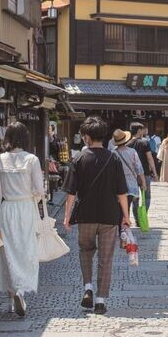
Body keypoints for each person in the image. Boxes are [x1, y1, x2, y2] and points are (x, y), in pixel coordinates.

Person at [63, 116, 131, 315]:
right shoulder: (114, 159)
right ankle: (100, 301)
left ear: (86, 137)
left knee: (85, 252)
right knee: (106, 258)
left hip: (86, 216)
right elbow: (121, 193)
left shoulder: (79, 159)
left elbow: (70, 192)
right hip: (109, 216)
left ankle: (88, 288)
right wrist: (126, 216)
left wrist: (67, 216)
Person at [0, 122, 44, 316]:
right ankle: (21, 290)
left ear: (8, 139)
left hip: (7, 207)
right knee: (25, 250)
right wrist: (31, 199)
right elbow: (39, 190)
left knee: (8, 253)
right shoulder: (32, 160)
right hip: (26, 208)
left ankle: (12, 298)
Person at [112, 129, 146, 218]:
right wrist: (143, 183)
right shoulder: (132, 152)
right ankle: (125, 226)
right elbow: (139, 168)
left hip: (117, 185)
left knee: (119, 208)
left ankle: (121, 226)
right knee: (127, 207)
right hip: (131, 185)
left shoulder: (112, 153)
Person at [130, 122, 158, 214]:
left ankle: (137, 218)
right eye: (142, 129)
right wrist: (154, 172)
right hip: (145, 173)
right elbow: (150, 158)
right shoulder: (145, 142)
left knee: (135, 197)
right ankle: (143, 215)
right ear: (139, 130)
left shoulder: (128, 143)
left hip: (132, 174)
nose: (144, 131)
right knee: (147, 195)